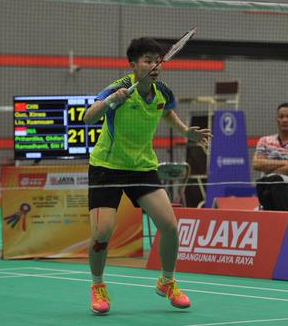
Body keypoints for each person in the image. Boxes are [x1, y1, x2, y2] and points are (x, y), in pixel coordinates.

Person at [83, 37, 211, 315]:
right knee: (101, 233)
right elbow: (88, 117)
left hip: (142, 167)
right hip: (107, 167)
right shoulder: (118, 88)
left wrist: (185, 131)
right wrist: (111, 102)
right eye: (147, 61)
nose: (155, 66)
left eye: (158, 61)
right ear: (133, 65)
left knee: (170, 226)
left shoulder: (162, 91)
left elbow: (166, 112)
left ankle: (167, 281)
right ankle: (98, 285)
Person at [252, 103, 288, 211]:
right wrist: (286, 163)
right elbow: (256, 164)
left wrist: (268, 165)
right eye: (281, 117)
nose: (284, 120)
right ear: (277, 119)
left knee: (274, 182)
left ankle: (278, 218)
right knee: (268, 188)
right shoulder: (264, 141)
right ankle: (283, 219)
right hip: (266, 185)